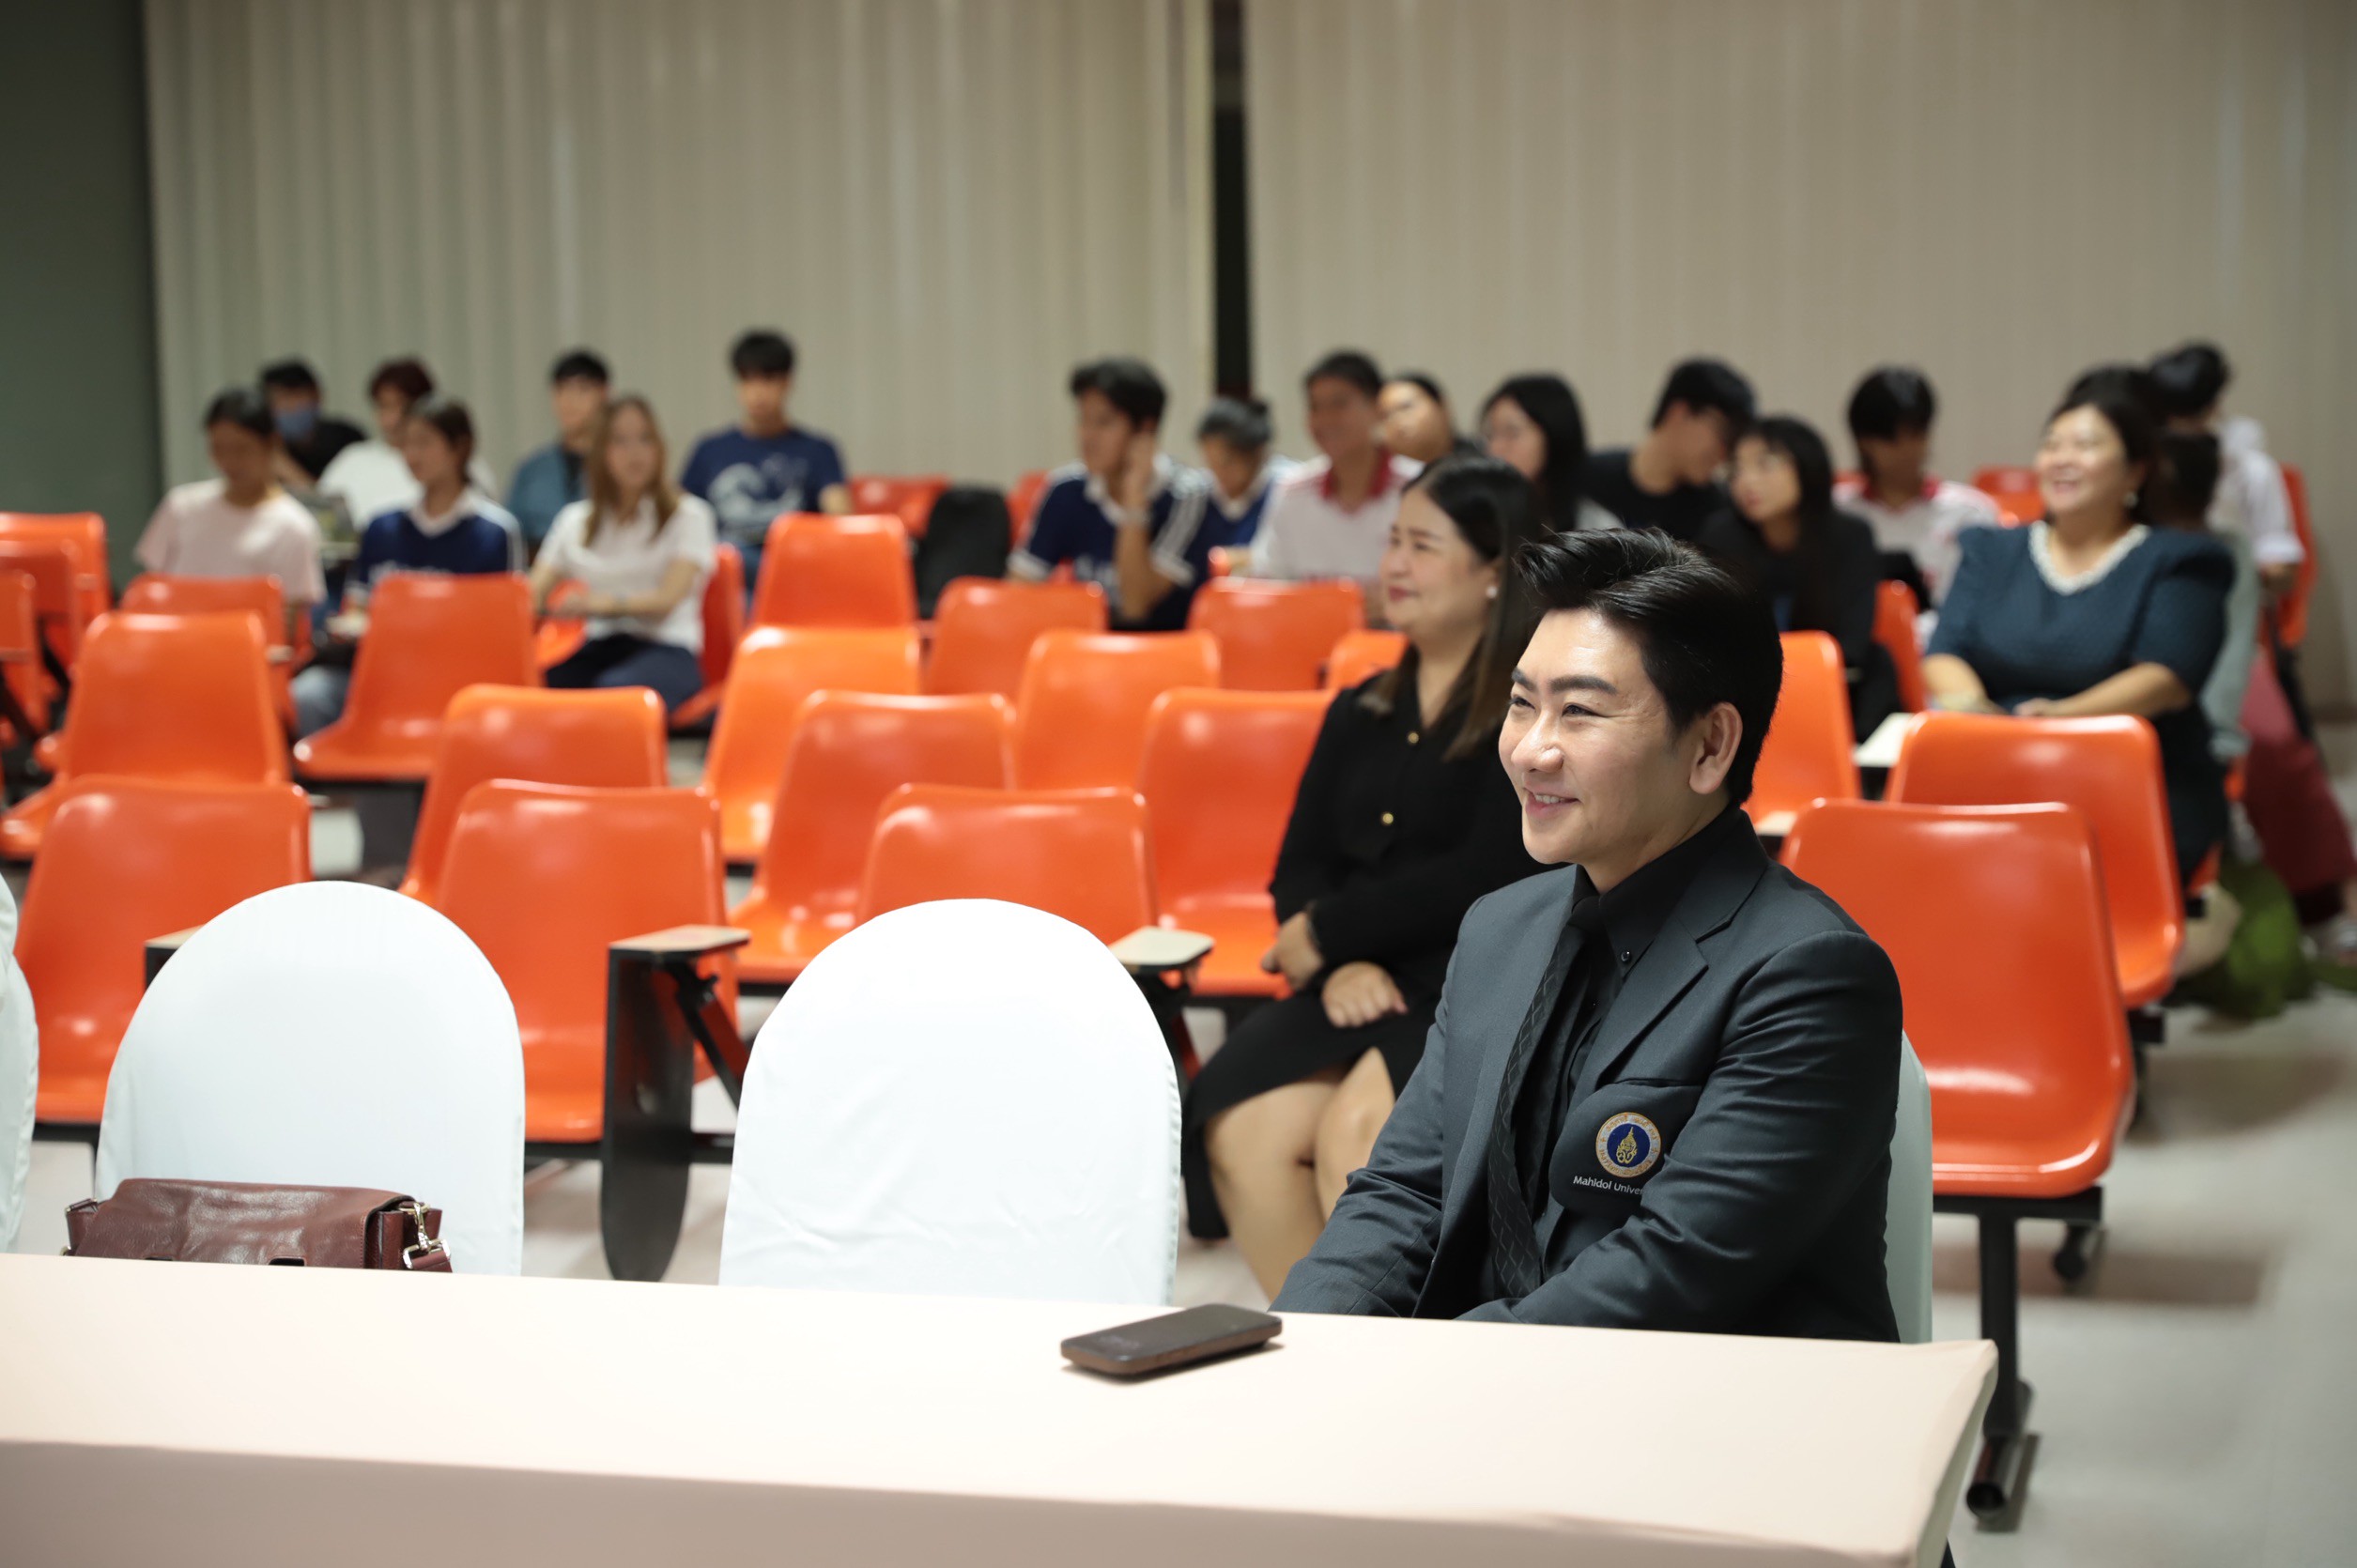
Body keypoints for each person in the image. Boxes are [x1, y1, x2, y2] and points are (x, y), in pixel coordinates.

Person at [1273, 529, 1903, 1337]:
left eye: (1579, 711)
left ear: (1710, 746)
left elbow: (1668, 1272)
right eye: (1521, 704)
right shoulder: (1501, 927)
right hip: (1502, 1379)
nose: (1530, 751)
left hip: (1709, 1398)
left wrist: (1426, 1375)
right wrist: (1304, 1350)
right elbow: (1406, 1192)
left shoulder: (1808, 973)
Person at [1189, 457, 1546, 1296]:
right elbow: (1299, 866)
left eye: (1423, 546)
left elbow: (1486, 873)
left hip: (1467, 983)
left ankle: (1406, 1356)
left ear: (1494, 572)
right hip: (1354, 979)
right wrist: (1337, 960)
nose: (1394, 565)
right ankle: (1322, 1344)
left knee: (1359, 1144)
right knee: (1244, 1132)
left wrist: (1330, 933)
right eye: (1393, 542)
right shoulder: (1362, 706)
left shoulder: (1528, 712)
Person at [1924, 384, 2234, 893]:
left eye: (2085, 445)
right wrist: (1981, 714)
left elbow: (2167, 679)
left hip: (2130, 787)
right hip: (1996, 767)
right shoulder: (1991, 549)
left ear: (2135, 471)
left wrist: (2056, 721)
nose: (2062, 459)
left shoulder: (2180, 560)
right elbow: (1944, 651)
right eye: (2052, 444)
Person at [292, 398, 519, 735]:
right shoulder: (381, 528)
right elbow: (358, 608)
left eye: (424, 443)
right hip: (384, 674)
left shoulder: (494, 532)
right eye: (407, 444)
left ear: (459, 447)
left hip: (459, 681)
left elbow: (501, 630)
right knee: (309, 695)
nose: (412, 455)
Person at [1699, 416, 1897, 739]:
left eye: (1765, 464)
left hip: (1834, 688)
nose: (1747, 481)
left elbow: (1853, 643)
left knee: (1880, 664)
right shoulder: (1721, 536)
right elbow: (1712, 638)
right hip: (1747, 697)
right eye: (1737, 469)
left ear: (1807, 467)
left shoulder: (1850, 536)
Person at [531, 395, 717, 713]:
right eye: (620, 441)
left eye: (645, 439)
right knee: (545, 687)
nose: (635, 452)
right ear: (599, 451)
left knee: (613, 697)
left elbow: (665, 601)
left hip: (668, 648)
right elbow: (531, 594)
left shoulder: (689, 515)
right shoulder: (575, 521)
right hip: (599, 645)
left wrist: (597, 604)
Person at [1008, 358, 1217, 632]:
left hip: (1168, 650)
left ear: (1145, 431)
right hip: (1086, 648)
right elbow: (1018, 592)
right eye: (1083, 420)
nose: (1087, 436)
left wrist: (1134, 503)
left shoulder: (1188, 495)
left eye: (1103, 423)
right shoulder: (1066, 489)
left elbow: (1135, 605)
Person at [136, 387, 326, 642]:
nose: (229, 462)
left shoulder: (294, 527)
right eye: (218, 449)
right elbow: (149, 592)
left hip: (246, 654)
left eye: (241, 449)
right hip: (173, 646)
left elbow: (287, 629)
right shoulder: (181, 507)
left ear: (272, 444)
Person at [679, 330, 848, 595]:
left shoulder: (817, 450)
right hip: (727, 575)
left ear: (787, 383)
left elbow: (841, 519)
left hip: (794, 570)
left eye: (768, 380)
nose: (757, 393)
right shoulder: (709, 450)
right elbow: (680, 518)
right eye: (748, 380)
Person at [1249, 351, 1421, 601]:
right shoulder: (1293, 491)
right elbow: (1267, 584)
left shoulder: (1418, 490)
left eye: (1339, 404)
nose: (1325, 419)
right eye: (1315, 407)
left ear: (1377, 408)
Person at [1833, 367, 2000, 606]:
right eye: (1892, 439)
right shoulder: (1835, 512)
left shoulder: (1971, 513)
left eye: (1915, 434)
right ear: (1863, 442)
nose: (1907, 449)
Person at [2149, 343, 2303, 599]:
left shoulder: (2251, 470)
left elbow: (2283, 569)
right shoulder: (2143, 466)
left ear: (2213, 406)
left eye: (2193, 417)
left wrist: (2234, 570)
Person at [316, 359, 509, 558]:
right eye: (382, 406)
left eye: (400, 406)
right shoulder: (352, 460)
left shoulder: (468, 471)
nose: (391, 419)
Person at [1581, 358, 1753, 542]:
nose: (1725, 453)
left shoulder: (1717, 512)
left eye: (1734, 443)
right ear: (1679, 412)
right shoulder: (1586, 479)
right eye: (1724, 434)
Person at [1480, 374, 1616, 533]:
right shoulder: (1478, 518)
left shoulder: (1596, 527)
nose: (1494, 448)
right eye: (1490, 434)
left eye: (1512, 432)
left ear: (1554, 434)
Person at [506, 349, 611, 551]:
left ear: (604, 394)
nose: (569, 400)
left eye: (582, 389)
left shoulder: (618, 466)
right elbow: (512, 538)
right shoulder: (532, 470)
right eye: (561, 389)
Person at [1194, 396, 1286, 551]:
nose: (1218, 472)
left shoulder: (1285, 488)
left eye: (1226, 462)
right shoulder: (1197, 495)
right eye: (1211, 463)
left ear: (1257, 454)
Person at [257, 359, 365, 487]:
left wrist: (290, 471)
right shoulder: (266, 446)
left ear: (317, 395)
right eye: (281, 400)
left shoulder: (348, 439)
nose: (290, 407)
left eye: (297, 396)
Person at [1379, 373, 1480, 466]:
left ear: (1442, 406)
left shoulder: (1480, 462)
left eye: (1406, 407)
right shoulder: (1391, 475)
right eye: (1386, 415)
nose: (1397, 421)